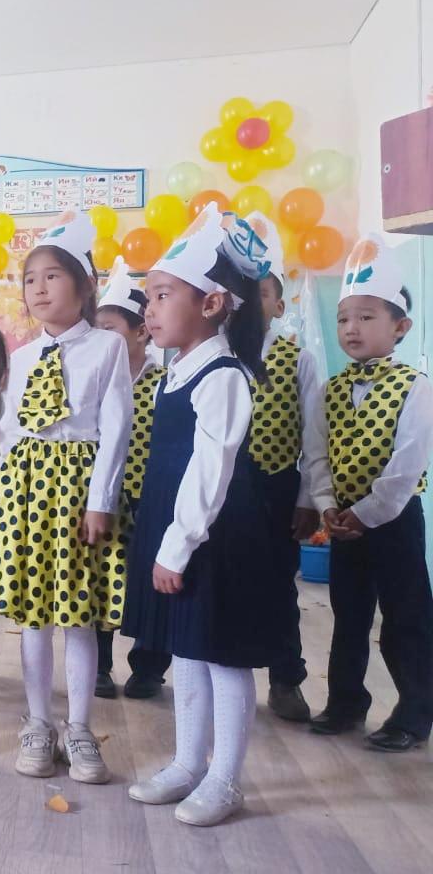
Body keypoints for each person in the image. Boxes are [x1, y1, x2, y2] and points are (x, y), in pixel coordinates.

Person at [0, 210, 131, 785]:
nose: (38, 288)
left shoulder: (107, 347)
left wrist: (101, 500)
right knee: (32, 617)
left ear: (85, 285)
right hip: (26, 492)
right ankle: (38, 722)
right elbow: (10, 432)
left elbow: (116, 427)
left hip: (78, 491)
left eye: (53, 276)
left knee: (78, 619)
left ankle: (79, 728)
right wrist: (0, 503)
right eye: (30, 279)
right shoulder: (24, 355)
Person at [122, 205, 278, 827]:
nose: (149, 309)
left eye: (163, 295)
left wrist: (177, 545)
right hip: (178, 527)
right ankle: (188, 763)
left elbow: (211, 471)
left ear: (212, 304)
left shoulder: (223, 375)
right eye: (148, 297)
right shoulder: (175, 370)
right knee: (186, 649)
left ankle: (225, 780)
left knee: (222, 654)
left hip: (213, 534)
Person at [305, 234, 433, 753]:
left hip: (394, 522)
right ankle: (345, 702)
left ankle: (415, 712)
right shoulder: (330, 390)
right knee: (349, 617)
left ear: (400, 327)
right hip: (343, 525)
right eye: (343, 319)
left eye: (365, 317)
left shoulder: (417, 387)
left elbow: (407, 464)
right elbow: (316, 454)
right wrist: (327, 508)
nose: (351, 329)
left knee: (406, 618)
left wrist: (368, 512)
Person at [242, 217, 325, 722]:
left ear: (278, 305)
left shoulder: (300, 360)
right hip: (226, 490)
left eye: (263, 294)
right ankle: (213, 676)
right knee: (221, 582)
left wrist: (308, 498)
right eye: (243, 294)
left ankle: (285, 679)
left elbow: (314, 435)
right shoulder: (218, 356)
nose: (252, 303)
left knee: (278, 586)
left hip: (277, 487)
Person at [91, 259, 166, 699]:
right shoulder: (94, 383)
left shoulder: (165, 382)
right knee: (100, 579)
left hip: (152, 499)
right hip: (106, 496)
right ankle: (99, 665)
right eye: (97, 330)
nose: (102, 339)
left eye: (110, 329)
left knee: (153, 582)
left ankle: (149, 667)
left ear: (141, 332)